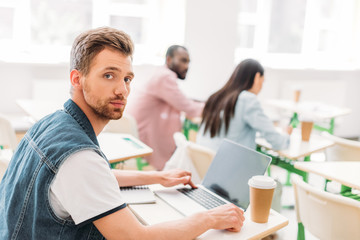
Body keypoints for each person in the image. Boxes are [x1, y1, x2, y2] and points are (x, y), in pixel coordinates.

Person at [0, 27, 244, 240]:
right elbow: (136, 237)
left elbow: (95, 178)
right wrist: (209, 218)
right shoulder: (79, 157)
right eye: (109, 75)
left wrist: (157, 177)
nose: (122, 89)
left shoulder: (51, 123)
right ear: (77, 79)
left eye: (127, 78)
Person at [126, 45, 204, 170]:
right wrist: (213, 108)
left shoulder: (161, 73)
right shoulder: (165, 77)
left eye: (188, 62)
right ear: (168, 60)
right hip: (146, 134)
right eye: (183, 60)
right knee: (182, 147)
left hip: (140, 129)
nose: (186, 66)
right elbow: (187, 106)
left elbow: (181, 99)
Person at [197, 59, 291, 151]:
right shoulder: (247, 99)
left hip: (205, 160)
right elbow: (277, 141)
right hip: (229, 162)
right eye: (263, 81)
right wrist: (286, 135)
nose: (262, 86)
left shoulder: (215, 97)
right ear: (257, 77)